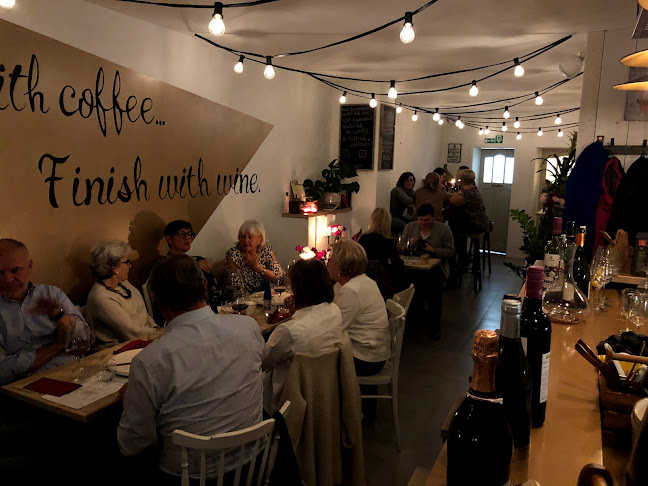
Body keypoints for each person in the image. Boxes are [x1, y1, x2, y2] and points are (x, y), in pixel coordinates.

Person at [117, 254, 265, 483]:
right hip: (255, 464)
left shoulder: (151, 361)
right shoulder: (247, 327)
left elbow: (132, 444)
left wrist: (130, 400)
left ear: (155, 299)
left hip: (191, 477)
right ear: (204, 285)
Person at [0, 239, 87, 385]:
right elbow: (3, 371)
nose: (8, 279)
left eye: (15, 270)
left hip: (72, 373)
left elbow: (83, 337)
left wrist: (58, 315)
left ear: (30, 266)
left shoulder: (51, 294)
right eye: (0, 272)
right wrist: (57, 346)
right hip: (23, 386)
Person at [262, 258, 343, 414]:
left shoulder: (289, 331)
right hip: (323, 389)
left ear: (298, 289)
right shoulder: (334, 310)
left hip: (288, 397)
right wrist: (296, 312)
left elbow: (265, 362)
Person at [327, 240, 390, 374]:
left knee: (312, 356)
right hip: (371, 350)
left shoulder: (352, 291)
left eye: (330, 259)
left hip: (366, 358)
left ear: (340, 267)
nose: (327, 263)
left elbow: (334, 329)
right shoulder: (361, 280)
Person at [86, 240, 157, 348]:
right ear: (114, 268)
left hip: (144, 339)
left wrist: (156, 327)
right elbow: (130, 332)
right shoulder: (100, 297)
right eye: (127, 262)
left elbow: (143, 314)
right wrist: (159, 334)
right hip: (118, 349)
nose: (130, 265)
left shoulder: (124, 283)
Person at [402, 204, 455, 339]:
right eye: (421, 220)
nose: (423, 223)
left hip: (437, 267)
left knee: (433, 287)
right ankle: (413, 319)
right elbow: (401, 246)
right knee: (409, 283)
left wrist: (434, 250)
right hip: (414, 266)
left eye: (427, 220)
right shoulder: (410, 227)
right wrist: (408, 246)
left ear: (433, 218)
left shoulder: (443, 229)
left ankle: (434, 325)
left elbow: (451, 252)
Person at [226, 220, 284, 294]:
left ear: (260, 239)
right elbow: (236, 286)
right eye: (243, 237)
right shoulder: (233, 254)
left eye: (250, 237)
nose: (246, 241)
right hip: (241, 298)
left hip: (261, 296)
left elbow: (279, 278)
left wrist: (258, 268)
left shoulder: (266, 251)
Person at [358, 208, 404, 298]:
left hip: (364, 279)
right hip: (381, 282)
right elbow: (397, 263)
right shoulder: (388, 242)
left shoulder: (363, 238)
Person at [449, 169, 490, 267]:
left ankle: (461, 258)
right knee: (455, 223)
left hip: (475, 224)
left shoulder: (468, 192)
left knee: (453, 227)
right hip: (478, 222)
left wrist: (458, 191)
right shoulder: (473, 189)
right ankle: (463, 257)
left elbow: (452, 201)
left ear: (462, 180)